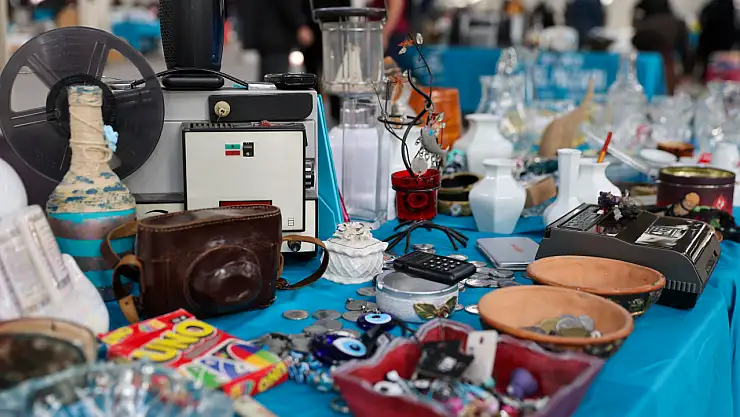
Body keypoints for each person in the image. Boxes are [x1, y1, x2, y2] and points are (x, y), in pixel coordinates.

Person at [237, 0, 315, 80]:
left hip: (268, 32)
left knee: (269, 76)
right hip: (277, 35)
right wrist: (300, 25)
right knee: (275, 76)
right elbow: (288, 4)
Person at [631, 0, 692, 93]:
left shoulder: (644, 24)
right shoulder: (677, 23)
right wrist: (687, 72)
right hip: (667, 61)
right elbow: (686, 50)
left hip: (643, 61)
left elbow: (635, 39)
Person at [696, 0, 738, 79]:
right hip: (725, 44)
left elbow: (702, 21)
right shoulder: (729, 8)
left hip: (710, 44)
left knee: (710, 67)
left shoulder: (711, 7)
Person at [369, 0, 410, 66]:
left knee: (390, 68)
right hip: (388, 34)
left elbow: (395, 9)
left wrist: (384, 35)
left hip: (393, 36)